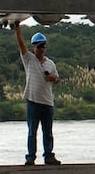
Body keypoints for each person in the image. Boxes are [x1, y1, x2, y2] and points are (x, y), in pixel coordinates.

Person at [14, 23, 61, 165]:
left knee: (48, 132)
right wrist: (17, 29)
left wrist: (52, 78)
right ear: (33, 47)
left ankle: (48, 155)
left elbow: (57, 79)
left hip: (47, 102)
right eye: (39, 46)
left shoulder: (50, 63)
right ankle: (31, 157)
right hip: (33, 101)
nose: (41, 49)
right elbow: (21, 45)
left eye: (43, 46)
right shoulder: (29, 59)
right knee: (32, 132)